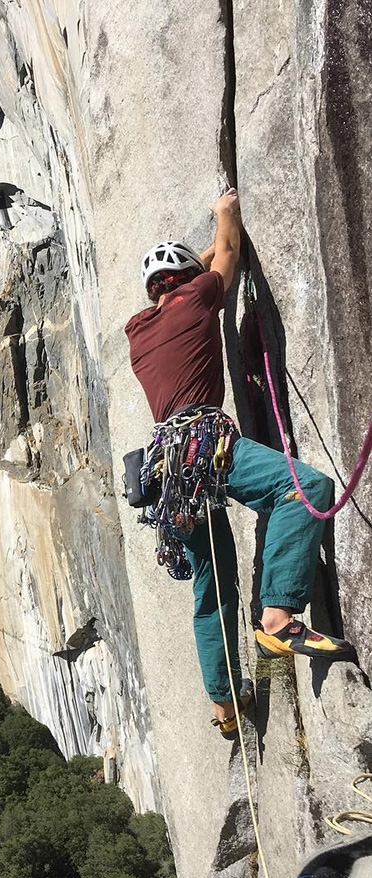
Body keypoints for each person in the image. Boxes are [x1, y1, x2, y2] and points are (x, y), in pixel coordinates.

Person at [125, 188, 355, 735]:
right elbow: (224, 253)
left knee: (212, 585)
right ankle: (277, 616)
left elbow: (184, 281)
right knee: (305, 489)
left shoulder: (137, 332)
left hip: (167, 472)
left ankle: (224, 704)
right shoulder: (200, 297)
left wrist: (184, 267)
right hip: (207, 444)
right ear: (187, 280)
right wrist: (224, 212)